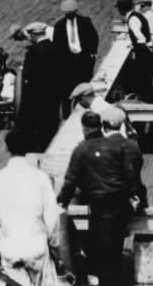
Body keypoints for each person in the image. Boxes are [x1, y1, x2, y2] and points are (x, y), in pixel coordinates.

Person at [57, 111, 142, 286]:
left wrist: (62, 201)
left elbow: (70, 180)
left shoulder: (82, 148)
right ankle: (113, 278)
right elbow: (128, 175)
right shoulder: (115, 146)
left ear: (84, 128)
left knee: (99, 248)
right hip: (119, 205)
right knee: (114, 246)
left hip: (99, 205)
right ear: (101, 126)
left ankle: (102, 279)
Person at [0, 130, 62, 286]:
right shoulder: (40, 178)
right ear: (28, 149)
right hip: (36, 247)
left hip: (10, 248)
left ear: (7, 149)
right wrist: (54, 245)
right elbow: (52, 218)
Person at [19, 22, 63, 152]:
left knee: (36, 122)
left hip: (36, 93)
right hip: (54, 92)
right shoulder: (56, 47)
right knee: (51, 120)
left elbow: (27, 73)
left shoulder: (33, 51)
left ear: (33, 35)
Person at [114, 0, 153, 103]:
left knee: (140, 77)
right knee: (144, 78)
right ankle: (146, 99)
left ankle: (146, 102)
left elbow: (141, 38)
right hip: (145, 50)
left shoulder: (132, 19)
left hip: (143, 52)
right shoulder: (136, 16)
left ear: (122, 9)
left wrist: (135, 50)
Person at [52, 0, 99, 102]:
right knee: (70, 85)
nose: (69, 16)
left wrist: (92, 53)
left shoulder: (85, 21)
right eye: (67, 14)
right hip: (68, 60)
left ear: (76, 11)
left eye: (71, 14)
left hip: (84, 57)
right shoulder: (59, 26)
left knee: (85, 83)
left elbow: (93, 37)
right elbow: (57, 45)